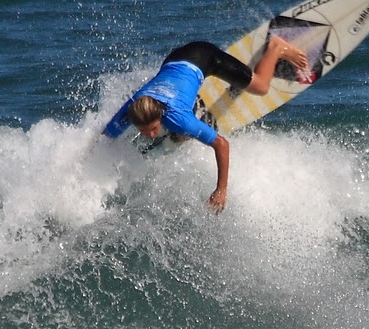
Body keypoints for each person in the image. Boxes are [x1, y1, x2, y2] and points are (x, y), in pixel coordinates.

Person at [101, 36, 310, 213]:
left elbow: (221, 144)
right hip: (174, 59)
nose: (149, 134)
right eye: (143, 131)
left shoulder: (177, 117)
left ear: (161, 115)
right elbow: (104, 138)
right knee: (181, 132)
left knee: (261, 87)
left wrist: (221, 189)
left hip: (207, 57)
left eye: (153, 129)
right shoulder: (131, 109)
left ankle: (276, 47)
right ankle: (193, 106)